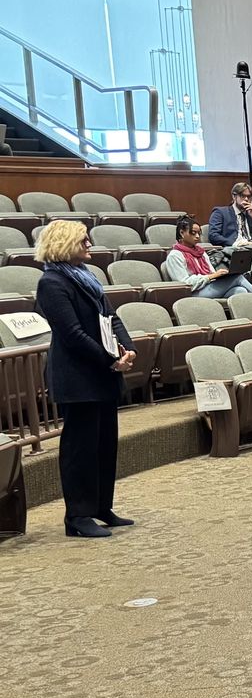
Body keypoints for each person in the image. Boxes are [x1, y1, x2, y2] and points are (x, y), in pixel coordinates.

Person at [33, 221, 136, 538]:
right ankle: (77, 516)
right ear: (64, 243)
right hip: (77, 377)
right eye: (83, 240)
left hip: (101, 373)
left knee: (104, 444)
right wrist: (111, 358)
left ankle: (101, 507)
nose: (90, 243)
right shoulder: (51, 283)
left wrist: (128, 349)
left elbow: (111, 318)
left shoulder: (87, 278)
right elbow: (73, 335)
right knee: (80, 448)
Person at [162, 219, 252, 300]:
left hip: (208, 287)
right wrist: (210, 276)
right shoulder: (175, 256)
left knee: (240, 290)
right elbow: (184, 284)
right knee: (238, 278)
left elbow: (211, 273)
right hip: (193, 294)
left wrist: (219, 275)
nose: (197, 236)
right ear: (182, 233)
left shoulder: (201, 252)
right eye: (193, 233)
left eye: (199, 233)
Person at [205, 182, 252, 253]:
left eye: (249, 196)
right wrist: (238, 243)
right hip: (234, 247)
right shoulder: (220, 212)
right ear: (234, 196)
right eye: (242, 196)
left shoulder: (250, 214)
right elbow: (213, 236)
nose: (246, 199)